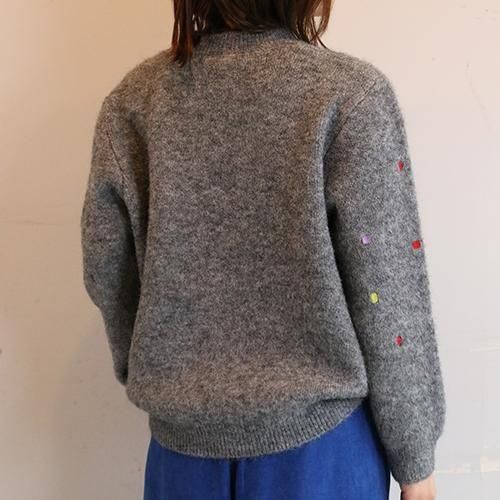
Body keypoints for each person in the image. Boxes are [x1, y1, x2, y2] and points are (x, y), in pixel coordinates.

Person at [80, 1, 446, 499]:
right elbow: (386, 290)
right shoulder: (349, 97)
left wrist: (159, 367)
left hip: (182, 460)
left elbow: (106, 263)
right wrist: (415, 460)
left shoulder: (133, 104)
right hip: (323, 461)